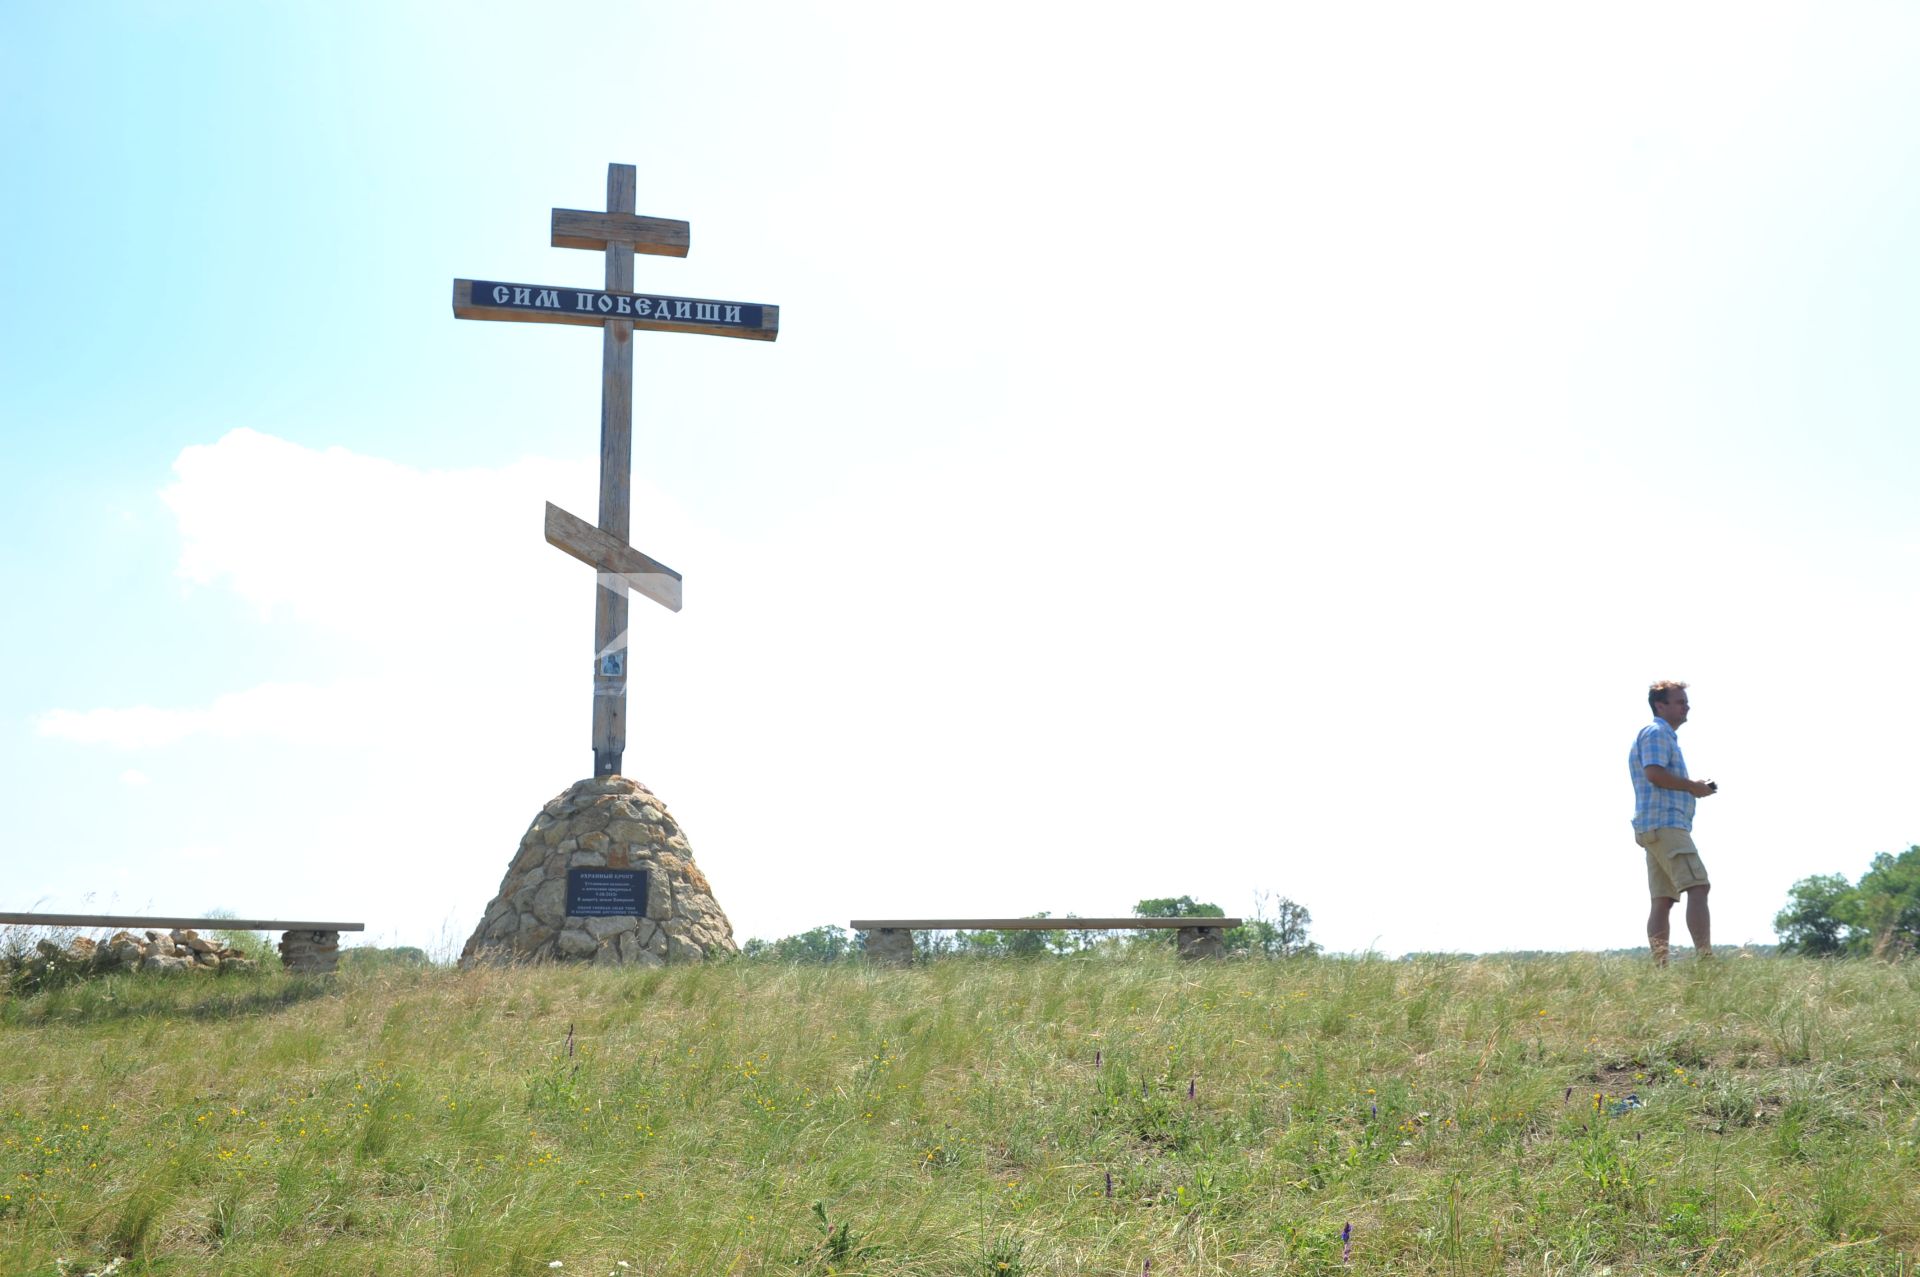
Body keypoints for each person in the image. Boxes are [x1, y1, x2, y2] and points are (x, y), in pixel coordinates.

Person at [1629, 680, 1717, 965]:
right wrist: (1692, 786)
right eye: (1679, 701)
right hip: (1666, 824)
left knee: (1663, 900)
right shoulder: (1657, 733)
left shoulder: (1658, 734)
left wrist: (1693, 786)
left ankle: (1660, 968)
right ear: (1660, 705)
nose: (1686, 706)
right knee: (1698, 886)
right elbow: (1654, 773)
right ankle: (1705, 961)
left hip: (1651, 827)